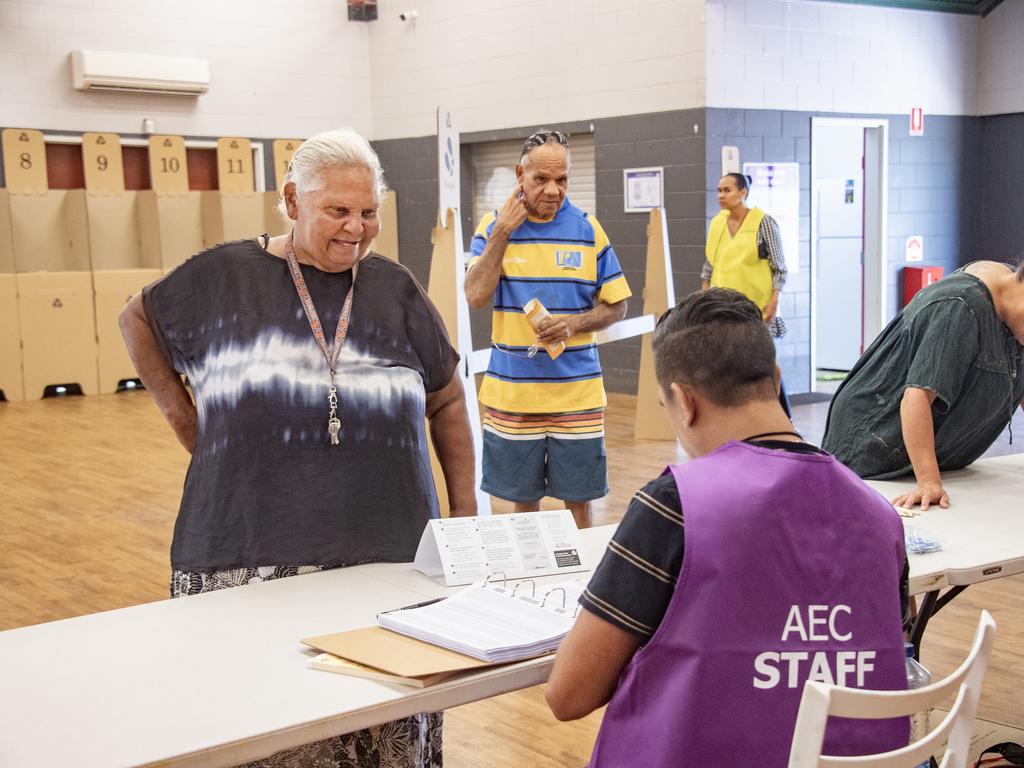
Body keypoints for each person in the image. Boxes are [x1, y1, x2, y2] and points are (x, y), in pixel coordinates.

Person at [119, 128, 476, 768]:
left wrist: (466, 518)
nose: (356, 228)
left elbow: (448, 400)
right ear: (291, 200)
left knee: (388, 730)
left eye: (369, 212)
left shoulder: (394, 291)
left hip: (387, 555)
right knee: (274, 732)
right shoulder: (223, 278)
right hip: (250, 549)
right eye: (337, 211)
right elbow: (137, 319)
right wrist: (191, 424)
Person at [546, 288, 909, 767]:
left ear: (683, 402)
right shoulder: (879, 513)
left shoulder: (676, 505)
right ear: (775, 379)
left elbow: (569, 695)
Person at [464, 130, 631, 529]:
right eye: (542, 179)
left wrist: (573, 323)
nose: (553, 190)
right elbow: (474, 295)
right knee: (523, 502)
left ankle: (581, 580)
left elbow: (617, 305)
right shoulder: (492, 228)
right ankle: (530, 578)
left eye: (562, 179)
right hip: (513, 393)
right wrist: (503, 232)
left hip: (577, 394)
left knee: (580, 498)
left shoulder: (590, 230)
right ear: (521, 174)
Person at [823, 261, 1024, 510]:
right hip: (875, 448)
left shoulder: (1013, 309)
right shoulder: (959, 305)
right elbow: (916, 397)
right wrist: (929, 482)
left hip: (934, 462)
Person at [702, 172, 792, 415]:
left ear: (743, 192)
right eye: (719, 190)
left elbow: (779, 266)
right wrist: (703, 300)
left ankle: (779, 416)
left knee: (764, 365)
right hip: (722, 309)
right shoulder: (717, 223)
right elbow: (709, 265)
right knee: (729, 365)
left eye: (727, 190)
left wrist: (775, 300)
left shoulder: (763, 223)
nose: (721, 195)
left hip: (756, 309)